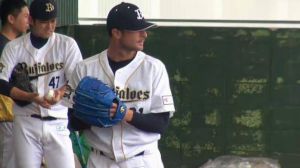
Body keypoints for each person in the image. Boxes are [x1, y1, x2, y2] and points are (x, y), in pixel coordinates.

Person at [68, 2, 175, 168]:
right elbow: (71, 120)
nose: (144, 35)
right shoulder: (85, 68)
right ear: (116, 33)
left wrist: (126, 114)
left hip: (142, 160)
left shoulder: (154, 68)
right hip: (100, 160)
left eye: (144, 29)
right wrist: (95, 114)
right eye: (137, 30)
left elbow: (161, 123)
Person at [0, 0, 83, 167]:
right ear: (31, 21)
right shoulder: (14, 47)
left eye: (53, 20)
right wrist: (29, 97)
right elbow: (1, 82)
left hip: (58, 120)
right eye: (44, 22)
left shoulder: (67, 44)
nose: (50, 26)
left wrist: (61, 93)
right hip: (26, 121)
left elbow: (78, 80)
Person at [0, 0, 29, 167]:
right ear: (11, 19)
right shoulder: (3, 46)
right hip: (7, 117)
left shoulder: (19, 46)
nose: (29, 20)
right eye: (25, 16)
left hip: (21, 117)